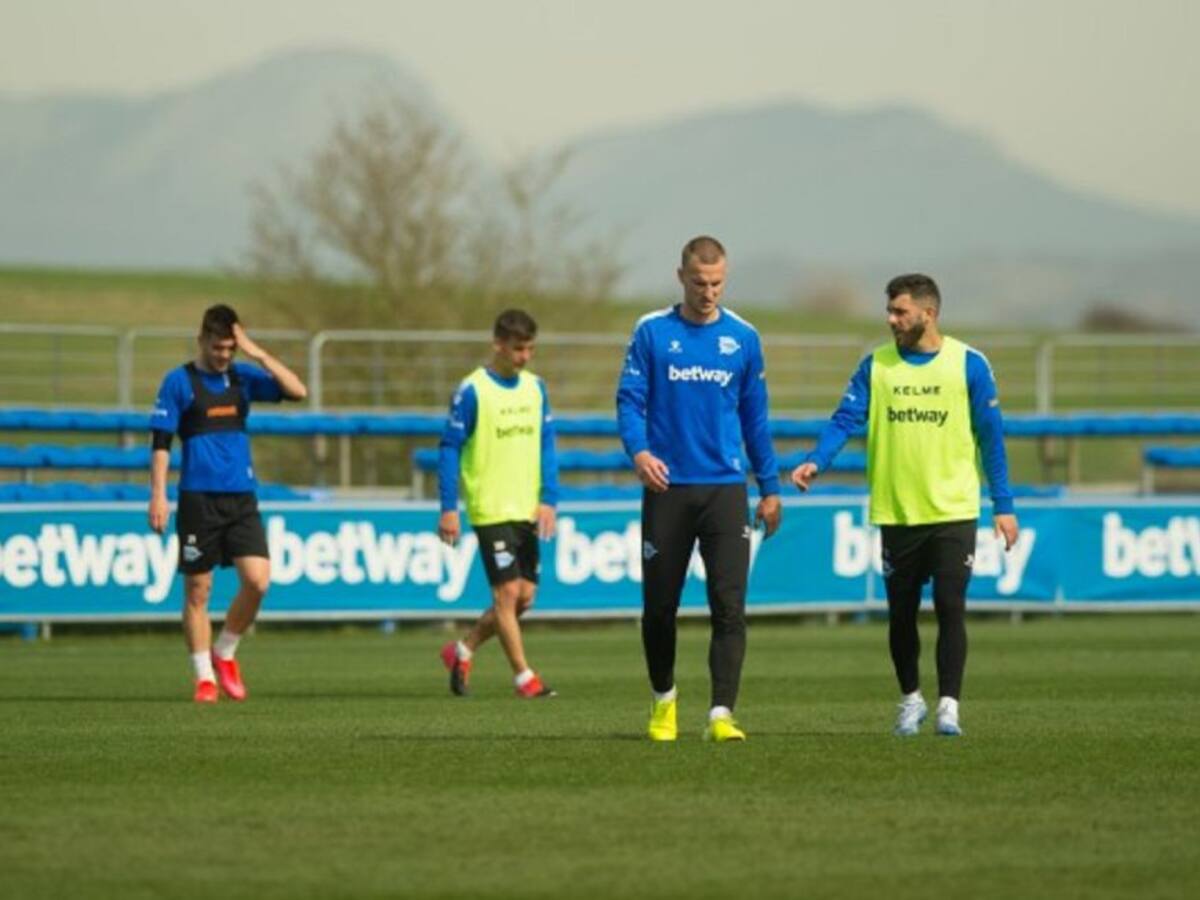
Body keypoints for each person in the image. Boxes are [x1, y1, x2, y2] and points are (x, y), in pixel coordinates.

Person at [791, 274, 1019, 737]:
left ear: (928, 314)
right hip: (897, 510)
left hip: (953, 509)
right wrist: (817, 459)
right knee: (901, 613)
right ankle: (911, 699)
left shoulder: (969, 364)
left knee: (951, 605)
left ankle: (949, 706)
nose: (891, 319)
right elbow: (845, 419)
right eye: (889, 311)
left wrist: (1004, 503)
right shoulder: (876, 366)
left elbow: (991, 438)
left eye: (900, 312)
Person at [616, 236, 782, 743]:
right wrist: (640, 453)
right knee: (659, 608)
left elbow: (755, 419)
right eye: (699, 282)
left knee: (729, 606)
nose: (708, 292)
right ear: (680, 277)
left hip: (725, 490)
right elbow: (629, 401)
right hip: (668, 489)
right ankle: (664, 699)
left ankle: (721, 715)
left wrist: (770, 487)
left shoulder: (743, 338)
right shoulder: (652, 331)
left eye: (716, 283)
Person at [148, 305, 307, 703]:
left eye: (230, 349)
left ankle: (225, 651)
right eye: (217, 347)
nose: (223, 355)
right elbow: (161, 443)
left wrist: (257, 353)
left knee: (258, 581)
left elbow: (297, 391)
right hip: (197, 499)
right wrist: (158, 495)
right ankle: (204, 677)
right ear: (202, 340)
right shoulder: (179, 382)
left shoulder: (242, 377)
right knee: (198, 591)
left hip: (241, 497)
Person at [436, 309, 559, 699]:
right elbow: (449, 448)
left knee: (524, 598)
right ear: (498, 345)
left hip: (527, 507)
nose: (525, 357)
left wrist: (549, 498)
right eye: (518, 349)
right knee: (505, 594)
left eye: (530, 349)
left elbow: (547, 445)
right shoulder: (472, 390)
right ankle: (525, 677)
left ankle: (463, 649)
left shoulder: (536, 388)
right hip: (490, 507)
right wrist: (449, 507)